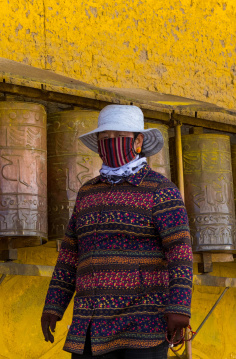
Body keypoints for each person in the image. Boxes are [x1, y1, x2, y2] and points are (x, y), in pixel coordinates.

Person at [41, 105, 193, 358]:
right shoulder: (88, 192)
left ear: (138, 141)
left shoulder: (160, 190)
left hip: (143, 324)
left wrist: (180, 306)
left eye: (117, 138)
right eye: (104, 139)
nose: (109, 144)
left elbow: (180, 251)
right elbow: (69, 254)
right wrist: (54, 305)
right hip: (90, 323)